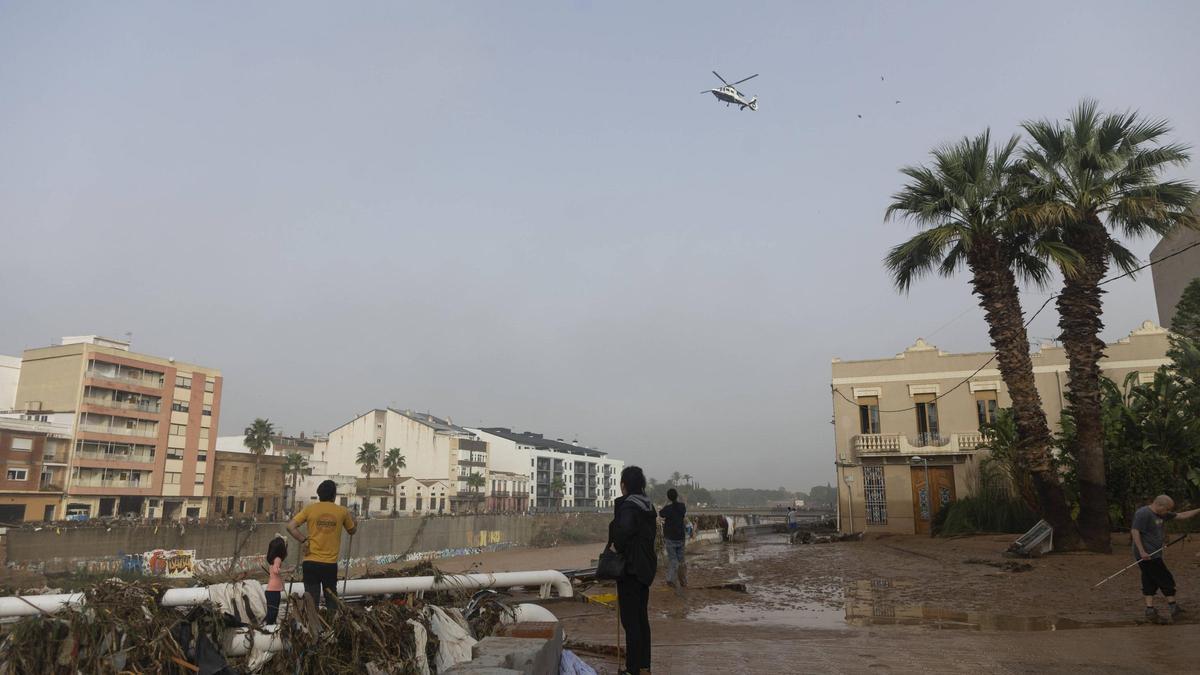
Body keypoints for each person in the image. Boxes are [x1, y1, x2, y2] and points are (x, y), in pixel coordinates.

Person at [610, 466, 656, 675]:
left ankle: (632, 669)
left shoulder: (628, 506)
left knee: (631, 622)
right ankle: (644, 666)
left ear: (624, 485)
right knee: (641, 619)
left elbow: (621, 538)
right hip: (645, 569)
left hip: (630, 570)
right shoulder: (648, 506)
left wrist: (618, 510)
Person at [287, 480, 357, 608]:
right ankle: (332, 620)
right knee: (332, 601)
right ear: (334, 495)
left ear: (319, 495)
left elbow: (290, 526)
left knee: (311, 603)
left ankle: (312, 621)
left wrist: (304, 540)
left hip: (310, 563)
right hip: (329, 565)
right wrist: (354, 521)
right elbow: (352, 530)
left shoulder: (309, 509)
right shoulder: (342, 511)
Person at [1130, 494, 1200, 623]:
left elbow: (1182, 515)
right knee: (1165, 579)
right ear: (1159, 505)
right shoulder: (1143, 513)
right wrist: (1142, 551)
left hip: (1155, 553)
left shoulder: (1161, 514)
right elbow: (1135, 531)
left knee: (1149, 579)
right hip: (1147, 554)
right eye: (1167, 509)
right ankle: (1174, 609)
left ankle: (1150, 610)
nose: (1168, 512)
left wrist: (1198, 510)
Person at [659, 488, 687, 588]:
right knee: (681, 560)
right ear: (677, 496)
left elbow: (660, 513)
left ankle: (670, 579)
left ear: (668, 497)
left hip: (670, 538)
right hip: (680, 537)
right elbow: (683, 510)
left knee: (673, 560)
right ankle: (683, 581)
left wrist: (667, 502)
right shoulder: (682, 507)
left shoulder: (668, 508)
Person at [263, 536, 289, 624]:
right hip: (274, 591)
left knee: (271, 611)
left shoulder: (273, 559)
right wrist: (288, 570)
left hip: (271, 590)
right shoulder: (278, 559)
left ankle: (268, 625)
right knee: (273, 611)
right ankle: (269, 626)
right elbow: (276, 570)